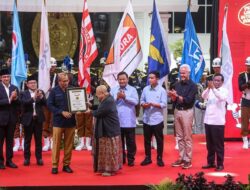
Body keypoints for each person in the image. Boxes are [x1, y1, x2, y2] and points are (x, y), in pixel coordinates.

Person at [169, 64, 197, 169]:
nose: (182, 75)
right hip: (177, 111)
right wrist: (172, 96)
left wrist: (177, 96)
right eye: (181, 73)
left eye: (184, 73)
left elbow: (188, 100)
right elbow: (174, 100)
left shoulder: (193, 86)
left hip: (187, 112)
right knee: (179, 137)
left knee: (187, 137)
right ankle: (181, 157)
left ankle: (188, 159)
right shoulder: (176, 84)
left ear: (189, 73)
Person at [47, 72, 76, 174]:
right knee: (56, 145)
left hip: (71, 122)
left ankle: (66, 165)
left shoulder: (73, 90)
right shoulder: (54, 91)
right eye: (63, 81)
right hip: (58, 122)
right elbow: (49, 105)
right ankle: (54, 166)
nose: (66, 83)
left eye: (67, 81)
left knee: (69, 145)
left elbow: (78, 102)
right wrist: (61, 112)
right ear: (59, 81)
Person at [92, 85, 122, 176]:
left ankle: (110, 170)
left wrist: (89, 111)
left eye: (97, 95)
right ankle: (105, 168)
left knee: (110, 151)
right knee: (107, 151)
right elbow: (100, 108)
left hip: (110, 130)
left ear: (102, 93)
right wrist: (92, 106)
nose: (97, 97)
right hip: (108, 129)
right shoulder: (107, 99)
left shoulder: (108, 101)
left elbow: (99, 112)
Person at [110, 71, 139, 167]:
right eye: (120, 79)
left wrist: (125, 97)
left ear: (127, 79)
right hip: (116, 120)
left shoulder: (133, 90)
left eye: (124, 79)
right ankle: (121, 159)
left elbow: (136, 102)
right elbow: (109, 103)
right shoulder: (113, 90)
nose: (122, 81)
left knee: (131, 141)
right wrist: (117, 98)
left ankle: (131, 159)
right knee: (119, 142)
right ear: (117, 80)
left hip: (129, 120)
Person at [140, 71, 167, 167]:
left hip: (157, 119)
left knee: (159, 140)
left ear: (157, 79)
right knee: (147, 140)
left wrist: (154, 104)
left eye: (152, 78)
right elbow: (141, 101)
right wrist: (144, 104)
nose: (150, 79)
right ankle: (148, 158)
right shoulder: (145, 89)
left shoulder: (162, 90)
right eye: (149, 78)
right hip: (147, 119)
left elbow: (164, 104)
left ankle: (159, 158)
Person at [201, 73, 228, 171]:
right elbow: (203, 96)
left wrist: (213, 89)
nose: (216, 82)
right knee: (210, 144)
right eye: (215, 80)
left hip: (218, 122)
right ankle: (210, 162)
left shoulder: (224, 90)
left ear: (222, 82)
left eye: (218, 81)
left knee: (219, 145)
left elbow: (221, 97)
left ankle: (220, 164)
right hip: (208, 121)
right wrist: (208, 88)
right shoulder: (210, 90)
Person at [20, 74, 46, 166]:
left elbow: (45, 104)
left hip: (38, 119)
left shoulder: (40, 91)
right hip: (28, 119)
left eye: (34, 83)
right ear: (27, 84)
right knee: (27, 140)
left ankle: (39, 158)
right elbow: (24, 103)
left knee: (38, 140)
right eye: (31, 83)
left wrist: (42, 97)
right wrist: (33, 97)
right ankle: (27, 158)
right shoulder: (23, 93)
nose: (33, 84)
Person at [0, 68, 20, 169]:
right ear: (0, 78)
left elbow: (19, 104)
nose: (6, 78)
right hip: (1, 119)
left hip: (12, 119)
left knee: (9, 141)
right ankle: (0, 162)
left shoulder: (14, 87)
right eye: (4, 77)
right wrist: (10, 99)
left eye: (8, 76)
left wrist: (16, 99)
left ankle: (9, 160)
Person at [42, 57, 58, 152]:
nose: (52, 68)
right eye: (51, 66)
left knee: (53, 122)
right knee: (45, 122)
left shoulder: (57, 76)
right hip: (44, 102)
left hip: (54, 103)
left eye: (54, 66)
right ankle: (46, 142)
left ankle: (52, 141)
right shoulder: (42, 76)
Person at [238, 56, 250, 149]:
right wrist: (247, 84)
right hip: (246, 100)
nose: (248, 67)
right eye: (247, 65)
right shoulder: (242, 75)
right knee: (244, 122)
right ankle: (245, 141)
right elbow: (240, 87)